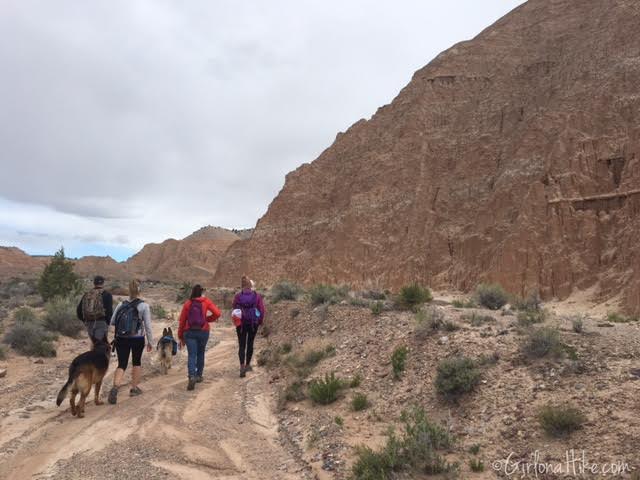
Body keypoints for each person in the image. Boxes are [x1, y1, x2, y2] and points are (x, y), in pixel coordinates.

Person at [107, 279, 153, 404]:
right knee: (136, 363)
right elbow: (148, 326)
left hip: (122, 338)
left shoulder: (121, 304)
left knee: (122, 364)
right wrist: (150, 342)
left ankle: (115, 388)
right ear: (140, 290)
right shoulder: (144, 305)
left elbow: (112, 321)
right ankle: (134, 388)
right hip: (137, 339)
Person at [177, 284, 221, 391]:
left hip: (190, 332)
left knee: (192, 355)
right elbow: (217, 313)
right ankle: (198, 376)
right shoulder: (206, 301)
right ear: (201, 292)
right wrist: (207, 319)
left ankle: (191, 376)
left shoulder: (188, 304)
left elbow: (182, 321)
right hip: (203, 331)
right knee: (201, 353)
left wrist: (180, 335)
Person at [233, 276, 266, 378]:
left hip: (241, 324)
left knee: (242, 345)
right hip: (253, 323)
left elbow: (234, 307)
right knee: (250, 343)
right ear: (250, 285)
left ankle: (242, 366)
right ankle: (248, 365)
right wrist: (259, 321)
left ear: (242, 285)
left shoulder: (238, 296)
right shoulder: (256, 296)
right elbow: (262, 310)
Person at [76, 275, 113, 343]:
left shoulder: (87, 294)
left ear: (94, 283)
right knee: (101, 346)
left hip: (89, 323)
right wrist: (107, 322)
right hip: (101, 322)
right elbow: (109, 311)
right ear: (103, 283)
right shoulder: (107, 294)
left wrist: (85, 321)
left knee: (94, 344)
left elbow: (79, 311)